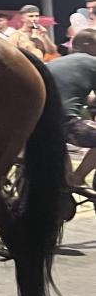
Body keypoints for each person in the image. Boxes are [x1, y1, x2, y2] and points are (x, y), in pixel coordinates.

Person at [46, 29, 96, 194]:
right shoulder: (92, 62)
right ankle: (77, 177)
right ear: (88, 45)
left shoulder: (56, 62)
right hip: (64, 122)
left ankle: (65, 179)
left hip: (36, 121)